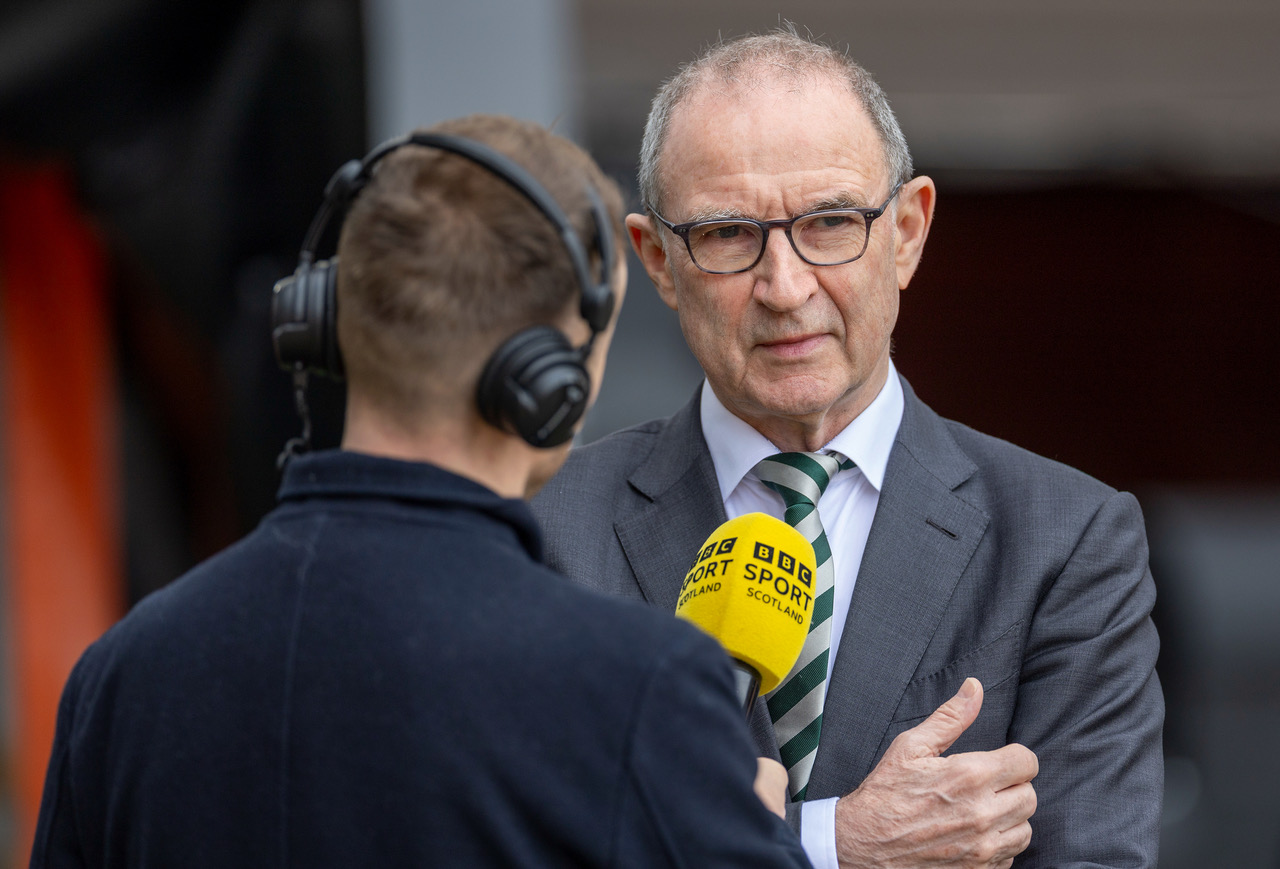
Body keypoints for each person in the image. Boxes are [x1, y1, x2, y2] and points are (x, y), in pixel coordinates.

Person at [30, 114, 814, 868]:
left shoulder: (123, 676)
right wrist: (757, 826)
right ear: (553, 379)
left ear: (326, 322)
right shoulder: (640, 689)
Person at [532, 30, 1163, 869]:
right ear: (658, 261)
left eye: (831, 222)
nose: (786, 287)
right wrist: (833, 844)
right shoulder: (545, 528)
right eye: (727, 235)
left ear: (907, 232)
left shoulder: (1067, 540)